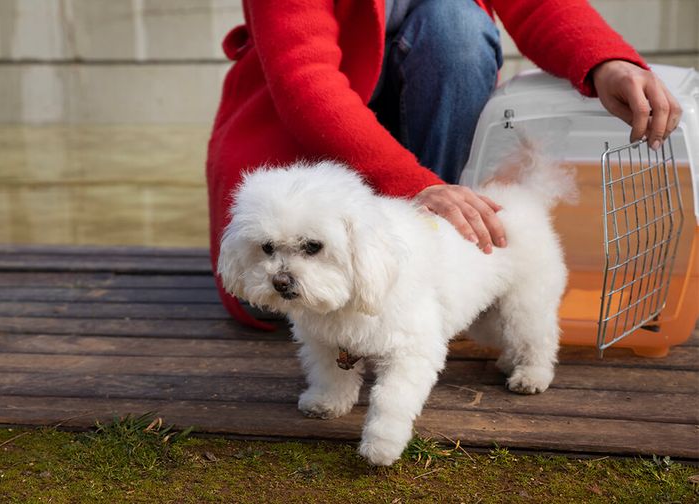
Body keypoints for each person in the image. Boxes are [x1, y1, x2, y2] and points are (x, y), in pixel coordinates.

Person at [206, 0, 682, 330]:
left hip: (420, 142)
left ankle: (436, 269)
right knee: (278, 297)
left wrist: (607, 63)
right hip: (302, 137)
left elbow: (539, 7)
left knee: (456, 23)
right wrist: (415, 184)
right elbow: (305, 78)